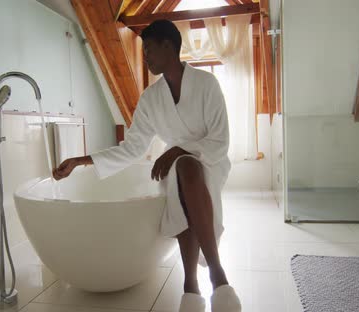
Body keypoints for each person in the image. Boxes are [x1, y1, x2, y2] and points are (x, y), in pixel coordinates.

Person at [52, 19, 241, 312]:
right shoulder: (151, 99)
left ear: (168, 46)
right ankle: (213, 280)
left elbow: (220, 142)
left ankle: (197, 282)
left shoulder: (207, 84)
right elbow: (132, 148)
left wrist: (179, 150)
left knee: (186, 168)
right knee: (181, 173)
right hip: (176, 168)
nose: (146, 57)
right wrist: (80, 161)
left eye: (149, 49)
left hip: (210, 161)